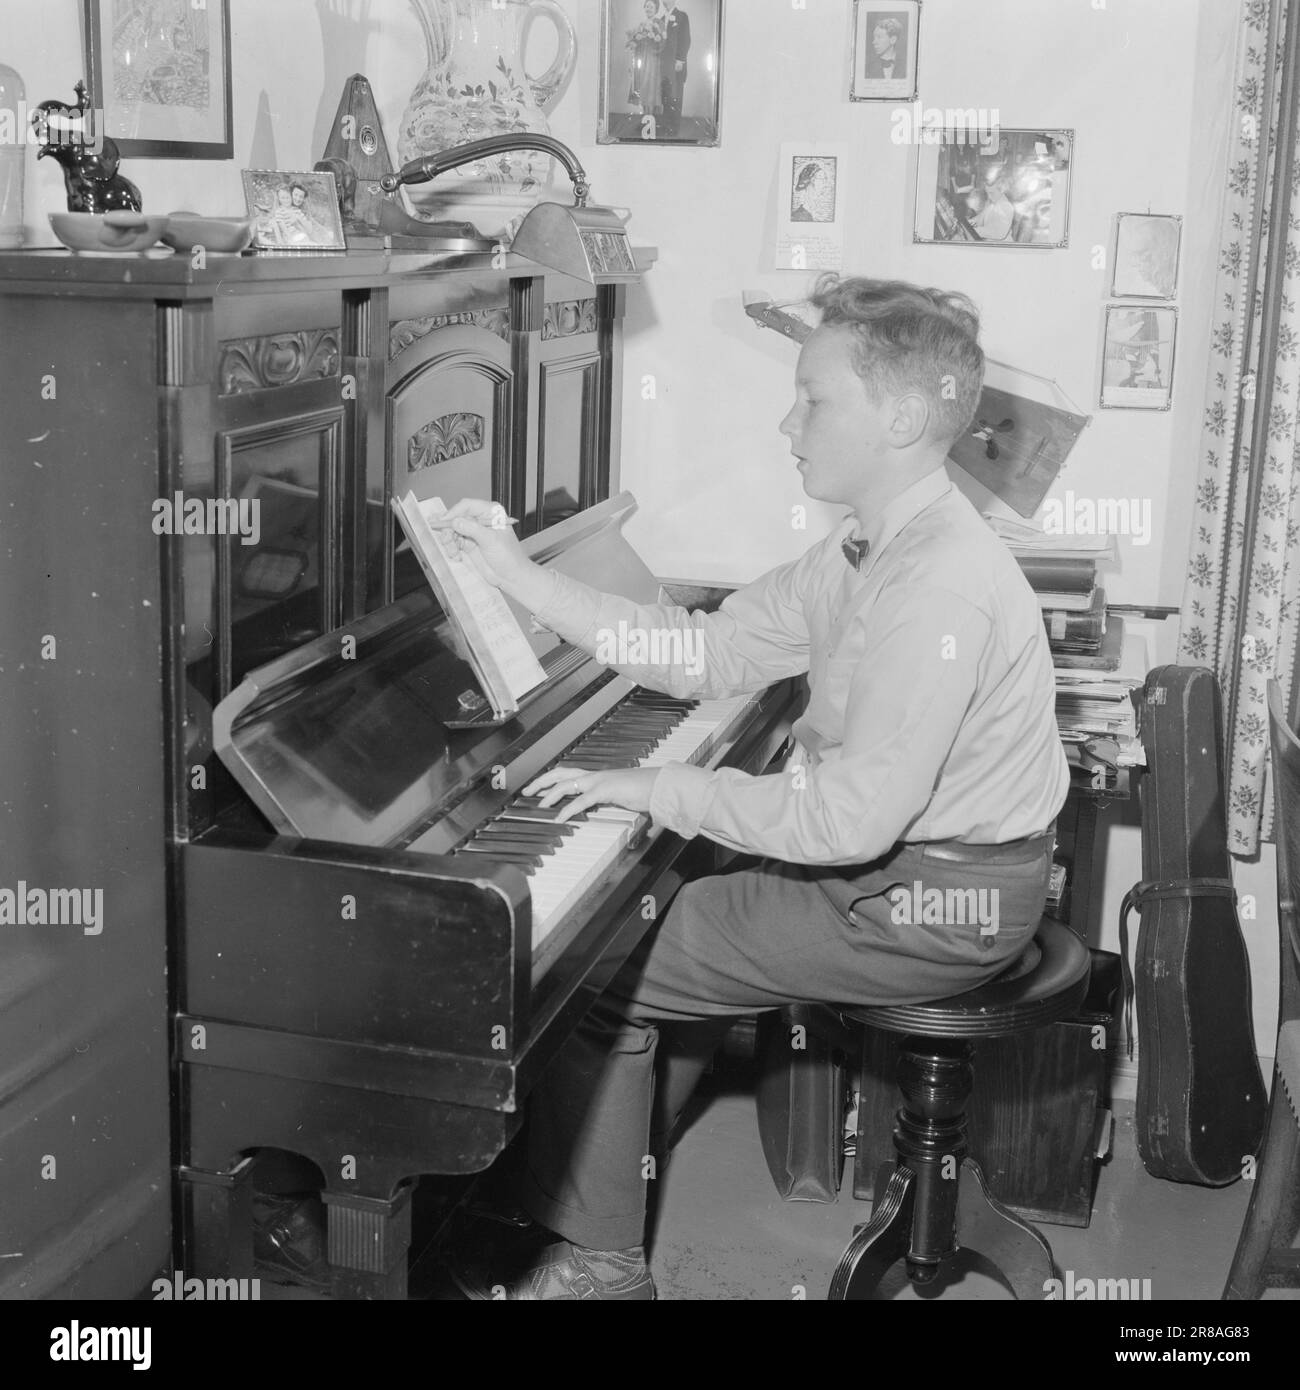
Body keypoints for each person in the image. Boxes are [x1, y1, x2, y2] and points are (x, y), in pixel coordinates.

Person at [435, 274, 1070, 1300]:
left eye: (813, 397)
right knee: (655, 917)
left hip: (931, 904)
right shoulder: (869, 546)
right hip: (904, 873)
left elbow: (848, 817)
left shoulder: (937, 582)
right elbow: (703, 651)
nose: (789, 419)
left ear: (901, 419)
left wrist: (665, 784)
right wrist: (518, 577)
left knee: (594, 968)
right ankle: (602, 1165)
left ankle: (601, 1258)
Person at [627, 0, 665, 119]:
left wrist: (654, 38)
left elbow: (663, 42)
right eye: (646, 6)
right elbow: (635, 41)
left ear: (656, 9)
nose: (648, 9)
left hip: (653, 59)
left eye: (651, 7)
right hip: (642, 59)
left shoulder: (659, 23)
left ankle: (652, 117)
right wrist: (634, 42)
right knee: (642, 86)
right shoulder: (641, 24)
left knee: (652, 86)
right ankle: (644, 117)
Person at [659, 0, 691, 136]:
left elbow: (686, 39)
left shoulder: (682, 16)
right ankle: (666, 126)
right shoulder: (660, 19)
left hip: (676, 65)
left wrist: (680, 60)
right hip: (664, 66)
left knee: (676, 96)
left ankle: (674, 129)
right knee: (665, 96)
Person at [864, 16, 906, 80]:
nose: (874, 42)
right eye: (874, 37)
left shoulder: (906, 65)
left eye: (879, 37)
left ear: (893, 40)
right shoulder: (868, 66)